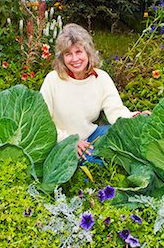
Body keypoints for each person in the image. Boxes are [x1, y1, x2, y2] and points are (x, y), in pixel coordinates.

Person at [40, 23, 149, 163]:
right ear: (62, 58)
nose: (75, 59)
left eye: (79, 52)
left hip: (91, 136)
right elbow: (43, 122)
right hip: (61, 142)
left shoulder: (101, 78)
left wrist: (136, 118)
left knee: (126, 141)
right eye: (68, 54)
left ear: (88, 52)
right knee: (96, 161)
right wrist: (69, 141)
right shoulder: (53, 80)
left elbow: (115, 111)